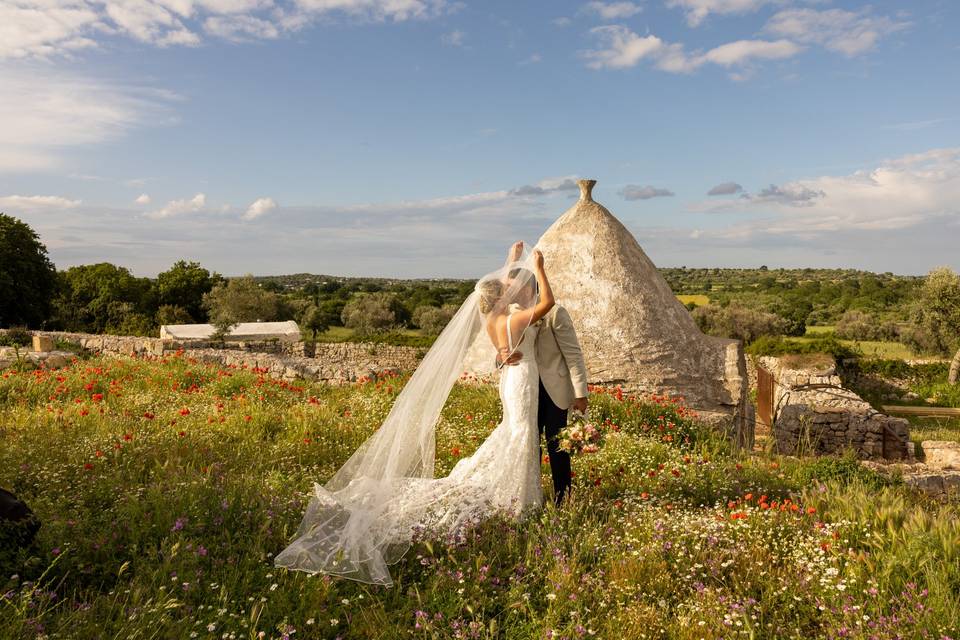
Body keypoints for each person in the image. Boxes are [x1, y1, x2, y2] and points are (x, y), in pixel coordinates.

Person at [274, 243, 555, 586]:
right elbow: (547, 304)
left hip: (510, 378)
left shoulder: (491, 317)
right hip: (522, 378)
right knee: (520, 432)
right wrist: (539, 267)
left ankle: (519, 494)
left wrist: (509, 261)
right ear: (502, 295)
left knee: (515, 431)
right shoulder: (513, 318)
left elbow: (498, 290)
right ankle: (520, 500)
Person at [496, 241, 589, 506]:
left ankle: (563, 500)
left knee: (557, 446)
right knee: (528, 445)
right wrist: (500, 358)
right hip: (525, 389)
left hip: (554, 391)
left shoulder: (556, 313)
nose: (512, 292)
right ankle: (531, 497)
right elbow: (500, 349)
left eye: (517, 287)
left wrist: (580, 393)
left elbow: (574, 355)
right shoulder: (514, 314)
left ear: (529, 288)